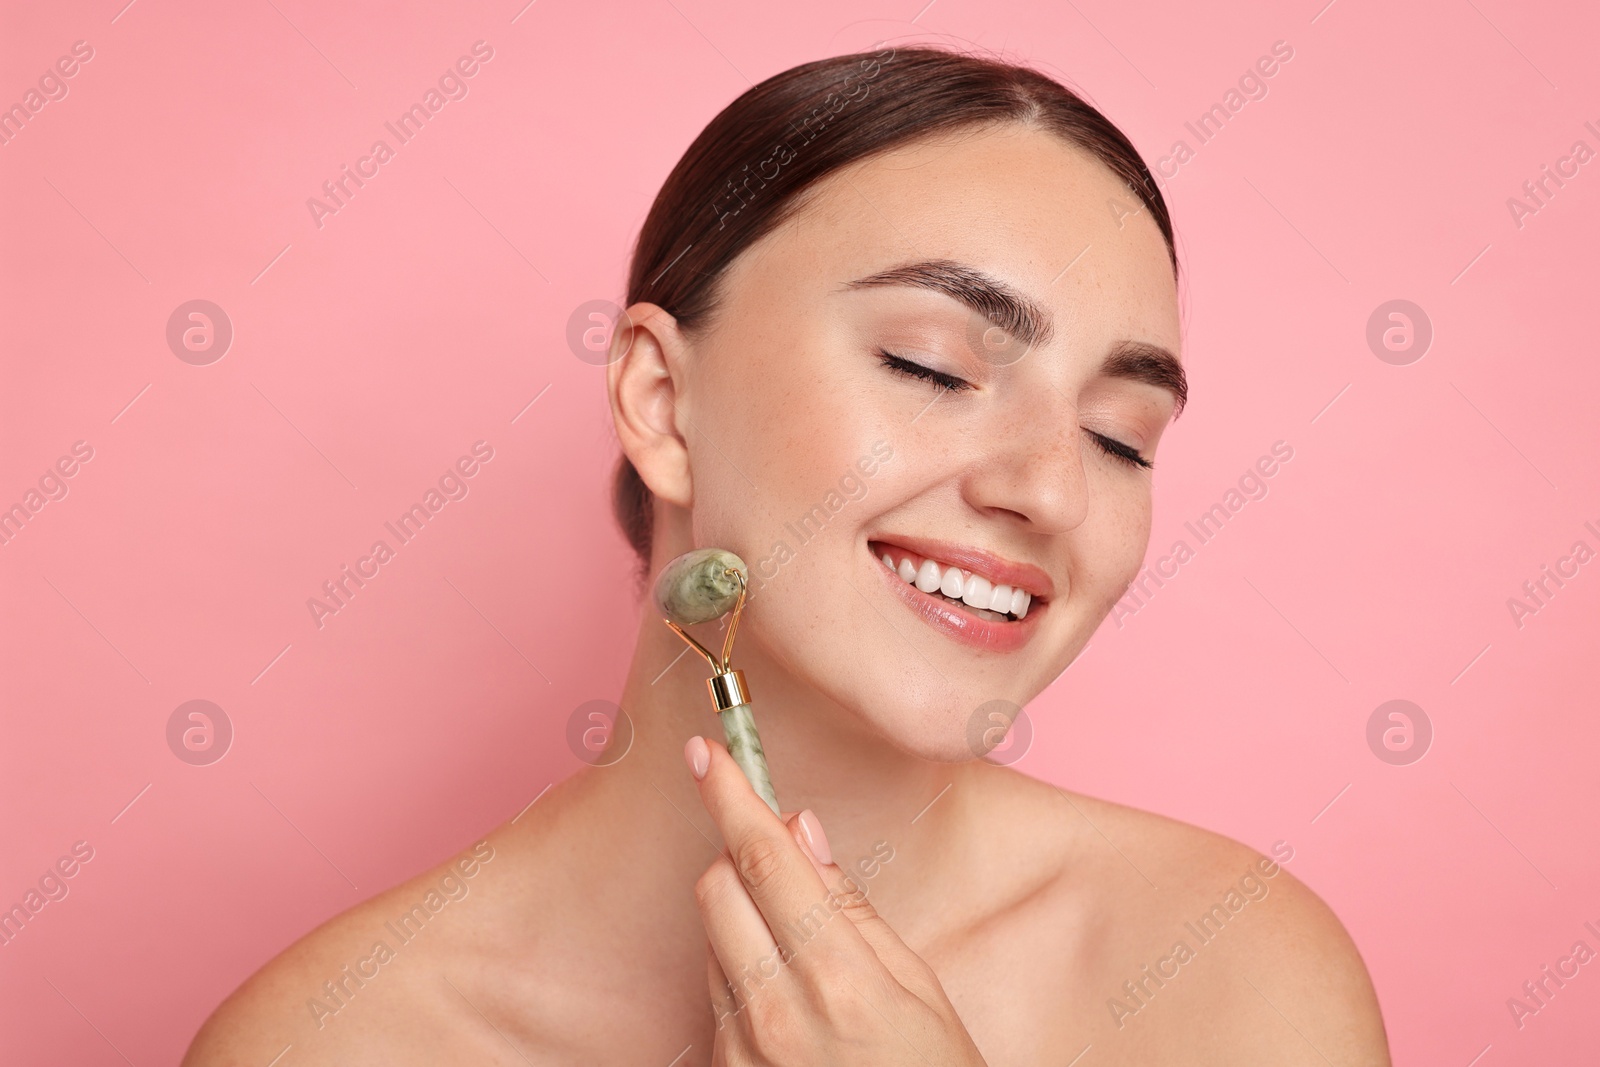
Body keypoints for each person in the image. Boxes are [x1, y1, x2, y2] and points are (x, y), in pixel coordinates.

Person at [185, 45, 1390, 1065]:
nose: (1050, 489)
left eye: (1121, 435)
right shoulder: (337, 1036)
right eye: (931, 366)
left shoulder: (1228, 974)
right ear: (660, 399)